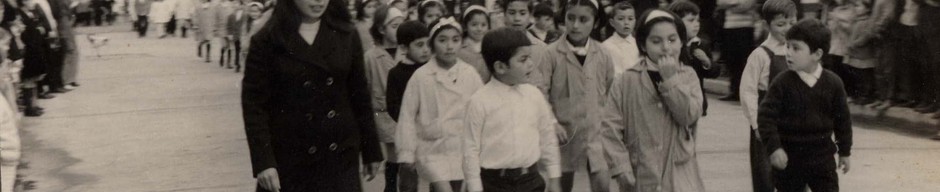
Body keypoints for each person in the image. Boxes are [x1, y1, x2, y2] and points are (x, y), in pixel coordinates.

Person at [241, 0, 384, 190]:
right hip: (291, 157)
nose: (319, 1)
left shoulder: (346, 34)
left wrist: (370, 149)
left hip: (339, 155)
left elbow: (360, 95)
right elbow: (254, 106)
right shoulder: (267, 39)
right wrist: (264, 162)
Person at [602, 9, 706, 192]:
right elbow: (609, 127)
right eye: (656, 41)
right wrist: (620, 167)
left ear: (682, 41)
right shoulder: (627, 80)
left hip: (679, 173)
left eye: (672, 40)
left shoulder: (688, 76)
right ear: (642, 45)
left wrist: (671, 82)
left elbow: (689, 116)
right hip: (640, 174)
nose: (666, 47)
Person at [462, 27, 562, 192]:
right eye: (523, 59)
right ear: (501, 67)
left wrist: (554, 176)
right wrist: (474, 188)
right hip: (493, 184)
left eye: (529, 57)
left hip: (531, 181)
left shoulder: (534, 95)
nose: (531, 63)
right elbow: (470, 149)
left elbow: (547, 136)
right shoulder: (479, 101)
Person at [759, 18, 853, 192]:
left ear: (817, 54)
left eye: (796, 48)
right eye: (787, 46)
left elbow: (843, 121)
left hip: (822, 159)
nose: (788, 52)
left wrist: (845, 152)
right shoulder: (782, 82)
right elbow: (765, 117)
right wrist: (774, 148)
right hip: (789, 159)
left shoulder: (833, 83)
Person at [395, 17, 483, 192]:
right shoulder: (421, 76)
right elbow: (407, 116)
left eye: (455, 40)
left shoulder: (470, 74)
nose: (449, 46)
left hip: (462, 147)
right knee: (443, 188)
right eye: (442, 40)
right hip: (432, 148)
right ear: (432, 44)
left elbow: (481, 110)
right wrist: (407, 153)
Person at [534, 0, 614, 191]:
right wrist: (552, 122)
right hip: (564, 132)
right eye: (571, 18)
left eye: (583, 19)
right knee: (561, 184)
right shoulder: (551, 53)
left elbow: (611, 92)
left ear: (595, 23)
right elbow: (539, 93)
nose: (575, 25)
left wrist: (610, 123)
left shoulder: (602, 53)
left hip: (596, 130)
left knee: (602, 182)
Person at [737, 0, 796, 190]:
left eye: (792, 23)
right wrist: (756, 124)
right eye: (781, 24)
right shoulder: (760, 55)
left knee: (795, 173)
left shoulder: (797, 52)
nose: (787, 29)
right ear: (766, 25)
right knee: (765, 175)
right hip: (767, 122)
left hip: (793, 122)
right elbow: (748, 91)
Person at [364, 5, 405, 192]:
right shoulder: (371, 57)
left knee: (403, 156)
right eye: (395, 26)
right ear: (381, 29)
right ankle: (390, 186)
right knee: (394, 154)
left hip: (406, 111)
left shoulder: (406, 53)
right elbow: (366, 87)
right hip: (383, 114)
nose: (400, 30)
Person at [385, 20, 429, 192]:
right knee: (409, 178)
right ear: (403, 48)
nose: (426, 49)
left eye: (428, 44)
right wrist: (410, 120)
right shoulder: (396, 74)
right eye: (419, 45)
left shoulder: (431, 70)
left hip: (431, 132)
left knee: (438, 175)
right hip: (408, 134)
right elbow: (392, 105)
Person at [598, 1, 638, 191]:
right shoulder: (606, 47)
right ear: (612, 22)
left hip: (637, 100)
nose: (626, 23)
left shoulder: (638, 44)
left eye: (630, 19)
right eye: (621, 19)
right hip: (616, 100)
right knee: (620, 146)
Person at [669, 1, 720, 116]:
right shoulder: (668, 44)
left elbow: (714, 72)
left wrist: (707, 62)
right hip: (674, 97)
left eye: (698, 20)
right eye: (691, 20)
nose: (696, 24)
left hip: (695, 99)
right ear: (676, 22)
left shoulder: (702, 44)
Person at [716, 0, 757, 101]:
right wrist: (736, 3)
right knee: (732, 60)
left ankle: (746, 91)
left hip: (746, 27)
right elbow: (720, 3)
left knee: (745, 60)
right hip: (729, 26)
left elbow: (747, 5)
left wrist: (729, 4)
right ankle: (734, 91)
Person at [844, 0, 877, 106]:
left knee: (865, 75)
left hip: (864, 53)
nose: (856, 9)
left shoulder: (868, 21)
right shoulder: (856, 21)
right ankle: (860, 94)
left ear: (867, 8)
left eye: (858, 6)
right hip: (856, 53)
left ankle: (867, 95)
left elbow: (866, 36)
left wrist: (855, 43)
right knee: (857, 74)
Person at [457, 5, 490, 82]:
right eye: (474, 25)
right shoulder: (460, 47)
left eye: (483, 25)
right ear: (465, 26)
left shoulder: (491, 46)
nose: (479, 29)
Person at [222, 0, 250, 72]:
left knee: (244, 51)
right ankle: (237, 65)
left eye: (237, 4)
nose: (235, 5)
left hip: (243, 36)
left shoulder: (246, 15)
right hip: (235, 36)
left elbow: (248, 26)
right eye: (234, 4)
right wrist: (230, 34)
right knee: (237, 50)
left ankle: (244, 65)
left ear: (241, 5)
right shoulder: (231, 16)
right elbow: (229, 26)